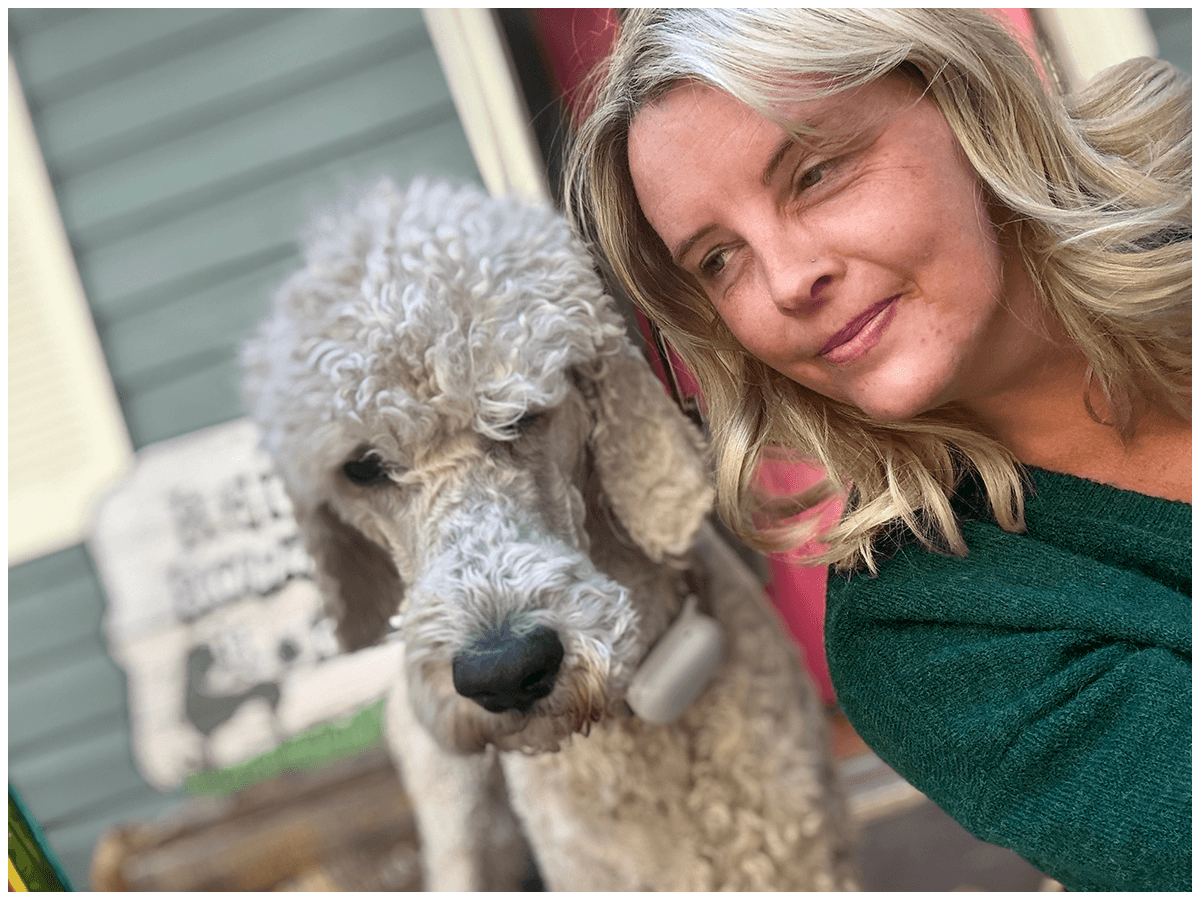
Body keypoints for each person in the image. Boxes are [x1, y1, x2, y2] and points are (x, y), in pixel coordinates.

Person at [563, 8, 1190, 892]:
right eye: (719, 259)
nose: (786, 281)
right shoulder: (927, 629)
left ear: (960, 103)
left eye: (813, 174)